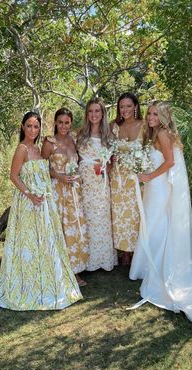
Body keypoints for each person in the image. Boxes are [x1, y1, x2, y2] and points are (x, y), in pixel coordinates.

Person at [128, 101, 192, 344]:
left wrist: (147, 175)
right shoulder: (155, 133)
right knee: (154, 223)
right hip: (155, 186)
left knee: (156, 224)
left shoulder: (164, 134)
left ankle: (153, 268)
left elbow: (170, 163)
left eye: (156, 113)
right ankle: (148, 264)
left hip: (159, 186)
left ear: (164, 117)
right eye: (149, 113)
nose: (151, 117)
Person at [0, 111, 83, 310]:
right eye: (29, 126)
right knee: (29, 244)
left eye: (36, 126)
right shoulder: (22, 149)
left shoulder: (36, 147)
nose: (33, 130)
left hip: (44, 202)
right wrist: (29, 194)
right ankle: (27, 286)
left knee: (45, 242)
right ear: (22, 127)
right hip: (28, 203)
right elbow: (14, 176)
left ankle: (48, 281)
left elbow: (44, 172)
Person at [41, 107, 89, 287]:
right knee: (60, 229)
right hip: (57, 190)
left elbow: (80, 161)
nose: (63, 125)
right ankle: (59, 270)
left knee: (75, 229)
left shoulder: (74, 139)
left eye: (67, 122)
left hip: (74, 191)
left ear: (71, 123)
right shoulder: (49, 142)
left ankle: (75, 270)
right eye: (60, 122)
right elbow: (41, 167)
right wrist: (59, 176)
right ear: (55, 123)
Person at [77, 97, 118, 271]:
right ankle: (87, 261)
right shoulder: (79, 134)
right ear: (87, 114)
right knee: (86, 219)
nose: (94, 114)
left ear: (103, 113)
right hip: (83, 183)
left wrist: (104, 166)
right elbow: (73, 156)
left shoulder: (109, 136)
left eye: (97, 111)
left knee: (100, 219)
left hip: (100, 183)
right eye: (91, 111)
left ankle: (103, 260)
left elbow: (110, 165)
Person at [110, 92, 143, 266]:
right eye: (122, 106)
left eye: (128, 106)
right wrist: (110, 157)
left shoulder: (145, 126)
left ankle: (136, 250)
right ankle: (123, 252)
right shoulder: (114, 126)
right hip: (117, 179)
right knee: (119, 215)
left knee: (135, 214)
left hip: (136, 177)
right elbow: (105, 148)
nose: (125, 110)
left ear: (135, 106)